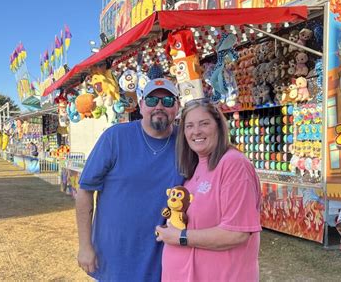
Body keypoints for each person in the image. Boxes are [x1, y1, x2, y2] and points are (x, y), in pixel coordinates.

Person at [76, 78, 184, 281]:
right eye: (152, 100)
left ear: (177, 106)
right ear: (141, 105)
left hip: (164, 260)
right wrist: (84, 246)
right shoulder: (115, 138)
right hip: (116, 259)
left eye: (168, 101)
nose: (159, 106)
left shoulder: (186, 143)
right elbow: (85, 190)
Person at [155, 99, 261, 281]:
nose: (196, 131)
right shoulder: (196, 166)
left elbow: (237, 233)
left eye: (204, 123)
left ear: (219, 126)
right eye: (189, 126)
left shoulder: (233, 164)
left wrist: (180, 237)